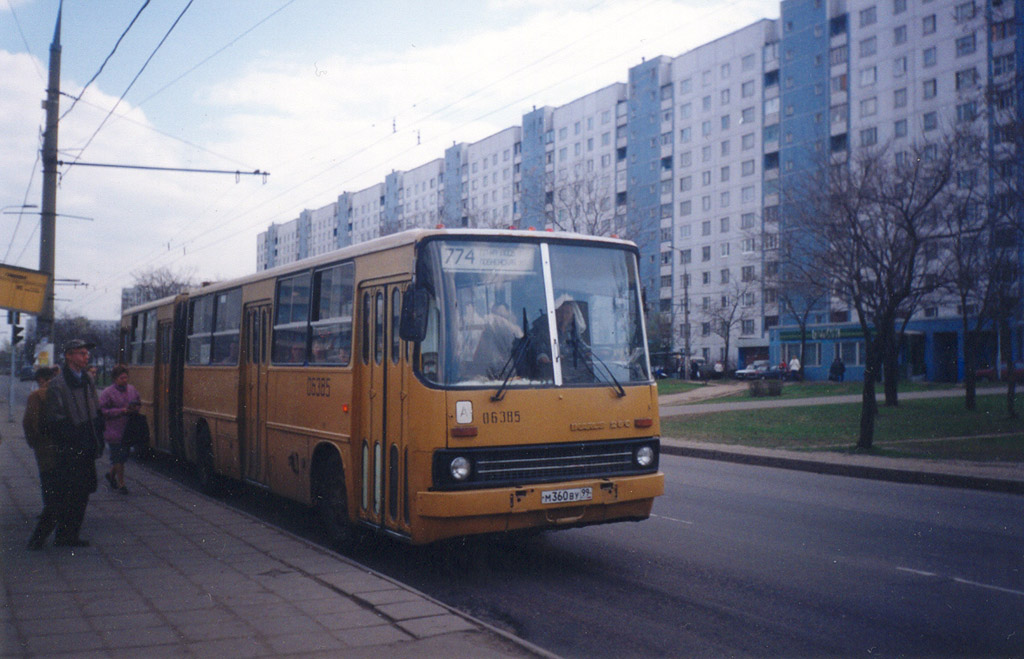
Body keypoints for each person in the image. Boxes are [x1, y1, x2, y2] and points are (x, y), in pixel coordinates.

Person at [36, 339, 104, 549]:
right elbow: (55, 420)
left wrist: (97, 436)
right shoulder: (57, 384)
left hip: (87, 446)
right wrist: (75, 438)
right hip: (69, 449)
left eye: (86, 353)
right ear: (68, 356)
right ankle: (37, 539)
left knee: (82, 493)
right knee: (61, 496)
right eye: (81, 353)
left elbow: (96, 409)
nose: (86, 357)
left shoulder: (87, 380)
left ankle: (68, 536)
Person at [24, 367, 60, 550]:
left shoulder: (36, 396)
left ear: (40, 379)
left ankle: (37, 538)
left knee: (49, 486)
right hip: (62, 447)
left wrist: (34, 442)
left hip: (45, 448)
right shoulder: (60, 392)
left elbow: (30, 422)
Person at [99, 364, 141, 494]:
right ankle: (121, 484)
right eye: (122, 378)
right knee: (118, 458)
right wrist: (120, 411)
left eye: (126, 377)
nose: (125, 380)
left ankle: (111, 475)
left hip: (127, 429)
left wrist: (135, 408)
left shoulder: (132, 389)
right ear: (115, 379)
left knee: (123, 457)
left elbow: (138, 401)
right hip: (113, 430)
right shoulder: (107, 392)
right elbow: (102, 410)